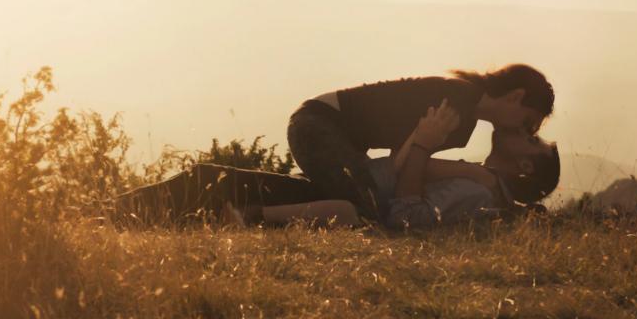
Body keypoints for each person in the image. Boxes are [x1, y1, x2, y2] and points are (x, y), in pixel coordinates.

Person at [224, 101, 560, 229]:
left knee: (343, 210)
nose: (523, 132)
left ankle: (249, 218)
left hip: (360, 205)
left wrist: (424, 145)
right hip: (356, 184)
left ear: (525, 167)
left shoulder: (480, 194)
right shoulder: (478, 180)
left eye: (532, 141)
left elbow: (406, 216)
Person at [287, 64, 555, 222]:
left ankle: (252, 190)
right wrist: (471, 171)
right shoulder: (455, 105)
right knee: (366, 212)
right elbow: (403, 166)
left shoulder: (463, 117)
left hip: (327, 131)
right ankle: (253, 215)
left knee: (342, 196)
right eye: (527, 122)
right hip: (317, 126)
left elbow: (401, 164)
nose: (521, 130)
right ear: (515, 97)